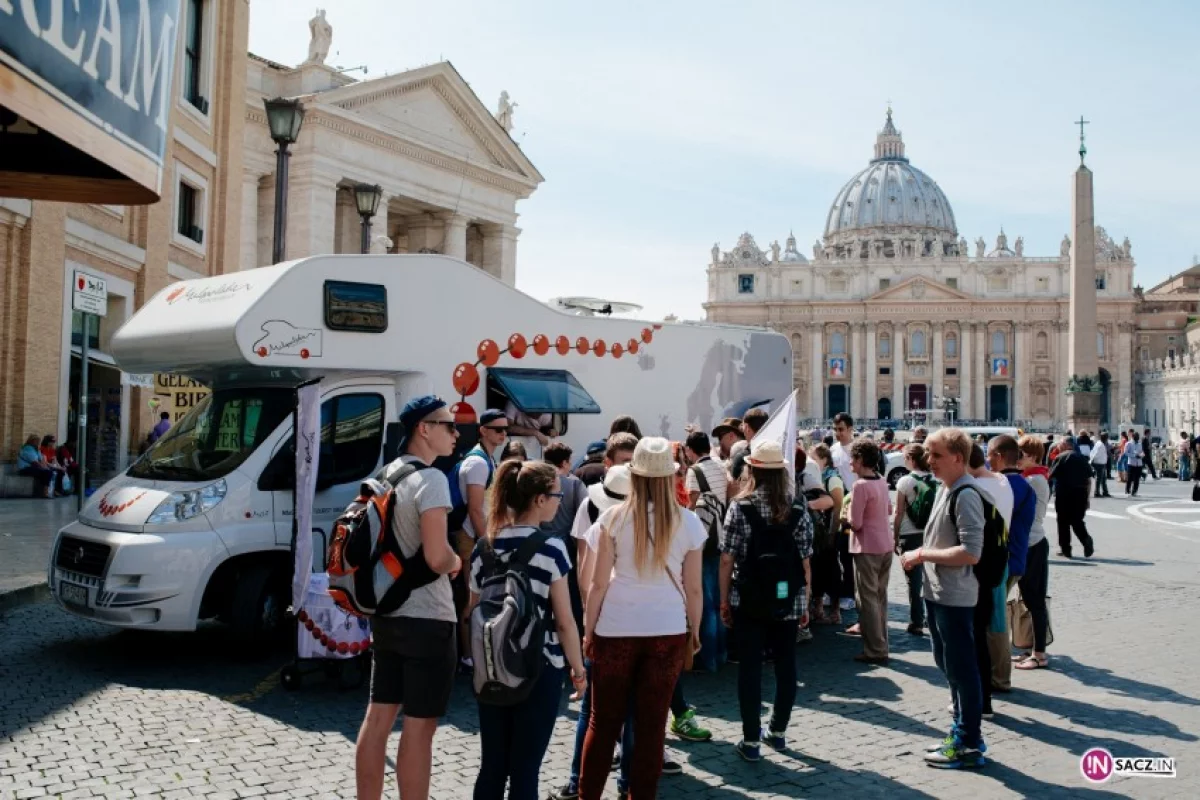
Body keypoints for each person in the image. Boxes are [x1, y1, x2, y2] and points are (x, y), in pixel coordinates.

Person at [579, 438, 705, 800]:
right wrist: (693, 631)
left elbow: (597, 584)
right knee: (651, 729)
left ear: (633, 475)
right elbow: (693, 589)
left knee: (602, 725)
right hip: (666, 629)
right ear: (670, 477)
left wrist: (589, 630)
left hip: (616, 627)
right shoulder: (688, 522)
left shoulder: (613, 518)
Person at [355, 395, 464, 800]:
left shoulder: (385, 475)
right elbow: (436, 557)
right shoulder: (432, 480)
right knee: (420, 727)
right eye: (449, 425)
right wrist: (455, 561)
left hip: (386, 613)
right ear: (424, 428)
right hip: (428, 619)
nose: (456, 433)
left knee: (378, 717)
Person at [468, 460, 587, 800]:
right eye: (556, 494)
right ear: (538, 499)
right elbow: (564, 621)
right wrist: (578, 669)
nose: (560, 500)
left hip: (490, 667)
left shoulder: (484, 547)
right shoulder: (551, 547)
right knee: (525, 770)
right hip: (540, 665)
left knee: (491, 765)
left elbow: (475, 609)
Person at [719, 440, 813, 761]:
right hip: (788, 598)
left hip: (747, 597)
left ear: (752, 469)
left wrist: (723, 600)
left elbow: (727, 559)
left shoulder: (739, 506)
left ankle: (751, 741)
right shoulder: (798, 507)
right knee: (787, 666)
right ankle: (779, 731)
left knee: (750, 668)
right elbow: (805, 561)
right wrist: (805, 600)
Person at [900, 428, 987, 769]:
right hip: (937, 592)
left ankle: (968, 740)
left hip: (955, 595)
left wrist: (922, 554)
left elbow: (971, 552)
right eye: (928, 455)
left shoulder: (965, 494)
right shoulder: (945, 489)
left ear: (958, 458)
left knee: (962, 669)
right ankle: (961, 731)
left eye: (936, 455)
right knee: (948, 664)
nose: (929, 461)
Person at [452, 409, 509, 673]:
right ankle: (467, 656)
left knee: (475, 597)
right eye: (497, 429)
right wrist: (487, 543)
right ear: (483, 430)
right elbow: (475, 508)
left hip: (475, 536)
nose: (503, 434)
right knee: (471, 599)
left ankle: (471, 653)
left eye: (505, 429)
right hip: (471, 537)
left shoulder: (485, 459)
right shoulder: (478, 463)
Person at [985, 435, 1035, 694]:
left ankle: (999, 677)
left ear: (999, 456)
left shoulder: (1007, 486)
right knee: (996, 617)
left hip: (1004, 560)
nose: (987, 460)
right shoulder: (1023, 485)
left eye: (990, 455)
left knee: (995, 621)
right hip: (1015, 557)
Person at [683, 430, 730, 673]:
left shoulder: (694, 472)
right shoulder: (721, 466)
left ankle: (708, 658)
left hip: (704, 539)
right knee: (718, 598)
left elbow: (692, 507)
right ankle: (722, 653)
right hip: (720, 535)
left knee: (706, 600)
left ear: (691, 450)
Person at [845, 438, 893, 664]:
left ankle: (875, 649)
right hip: (885, 545)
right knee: (880, 597)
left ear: (861, 459)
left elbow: (856, 523)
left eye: (853, 459)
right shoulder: (882, 481)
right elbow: (889, 509)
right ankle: (882, 642)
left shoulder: (860, 486)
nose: (850, 464)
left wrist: (845, 516)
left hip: (866, 547)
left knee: (867, 599)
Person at [542, 442, 590, 631]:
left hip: (539, 546)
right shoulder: (575, 484)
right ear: (564, 462)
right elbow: (584, 518)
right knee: (570, 598)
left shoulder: (537, 482)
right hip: (567, 549)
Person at [1014, 436, 1051, 671]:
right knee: (1028, 598)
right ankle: (1031, 648)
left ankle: (1039, 654)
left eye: (1020, 455)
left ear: (1033, 456)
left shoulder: (1035, 480)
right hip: (1029, 542)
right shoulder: (1031, 478)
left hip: (1033, 544)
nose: (1016, 459)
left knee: (1035, 600)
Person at [893, 444, 935, 636]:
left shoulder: (905, 481)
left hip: (909, 535)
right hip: (932, 534)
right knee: (932, 579)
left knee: (914, 581)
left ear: (911, 459)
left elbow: (899, 512)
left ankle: (916, 621)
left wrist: (894, 535)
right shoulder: (936, 479)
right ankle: (933, 619)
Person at [808, 443, 844, 625]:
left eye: (814, 459)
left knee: (831, 571)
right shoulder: (817, 477)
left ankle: (835, 610)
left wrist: (832, 533)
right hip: (818, 534)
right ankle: (819, 607)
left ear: (824, 459)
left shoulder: (832, 479)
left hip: (829, 533)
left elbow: (838, 508)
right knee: (817, 569)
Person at [1049, 439, 1095, 559]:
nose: (1058, 447)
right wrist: (1088, 498)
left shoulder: (1060, 457)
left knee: (1063, 521)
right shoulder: (1082, 458)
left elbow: (1051, 476)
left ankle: (1066, 549)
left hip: (1063, 493)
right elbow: (1089, 480)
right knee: (1077, 521)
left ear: (1065, 445)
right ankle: (1086, 539)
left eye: (1059, 444)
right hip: (1080, 493)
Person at [830, 413, 858, 610]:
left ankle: (850, 591)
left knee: (849, 553)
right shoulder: (832, 450)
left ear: (850, 429)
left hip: (855, 502)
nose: (838, 433)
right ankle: (838, 589)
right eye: (835, 429)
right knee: (838, 549)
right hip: (837, 502)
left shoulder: (858, 450)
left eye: (841, 429)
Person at [730, 408, 769, 482]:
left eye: (743, 425)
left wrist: (727, 473)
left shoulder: (742, 458)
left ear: (747, 427)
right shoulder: (776, 453)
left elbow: (735, 487)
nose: (742, 429)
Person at [1123, 431, 1144, 497]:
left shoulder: (1140, 444)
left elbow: (1142, 452)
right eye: (1136, 437)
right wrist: (1134, 455)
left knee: (1137, 478)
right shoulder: (1129, 443)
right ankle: (1127, 489)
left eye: (1138, 437)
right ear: (1133, 436)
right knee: (1130, 478)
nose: (1137, 438)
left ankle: (1134, 491)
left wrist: (1141, 455)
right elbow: (1126, 453)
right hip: (1131, 463)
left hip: (1139, 463)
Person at [1090, 433, 1111, 497]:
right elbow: (1095, 455)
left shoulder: (1099, 443)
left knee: (1103, 479)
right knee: (1099, 479)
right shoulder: (1100, 445)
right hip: (1099, 464)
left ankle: (1105, 492)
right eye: (1107, 437)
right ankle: (1097, 493)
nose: (1107, 439)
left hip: (1101, 463)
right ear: (1105, 438)